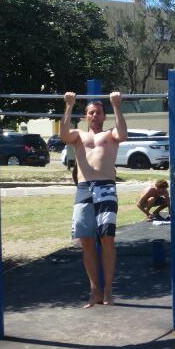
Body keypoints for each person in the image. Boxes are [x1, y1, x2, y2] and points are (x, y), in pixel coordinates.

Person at [60, 92, 127, 308]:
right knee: (86, 241)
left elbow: (123, 133)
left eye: (98, 112)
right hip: (83, 188)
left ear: (104, 116)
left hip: (106, 187)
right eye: (91, 113)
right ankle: (94, 290)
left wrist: (116, 105)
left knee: (107, 238)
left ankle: (108, 290)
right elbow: (63, 134)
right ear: (86, 116)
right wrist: (69, 105)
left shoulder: (110, 135)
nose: (94, 116)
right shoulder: (78, 136)